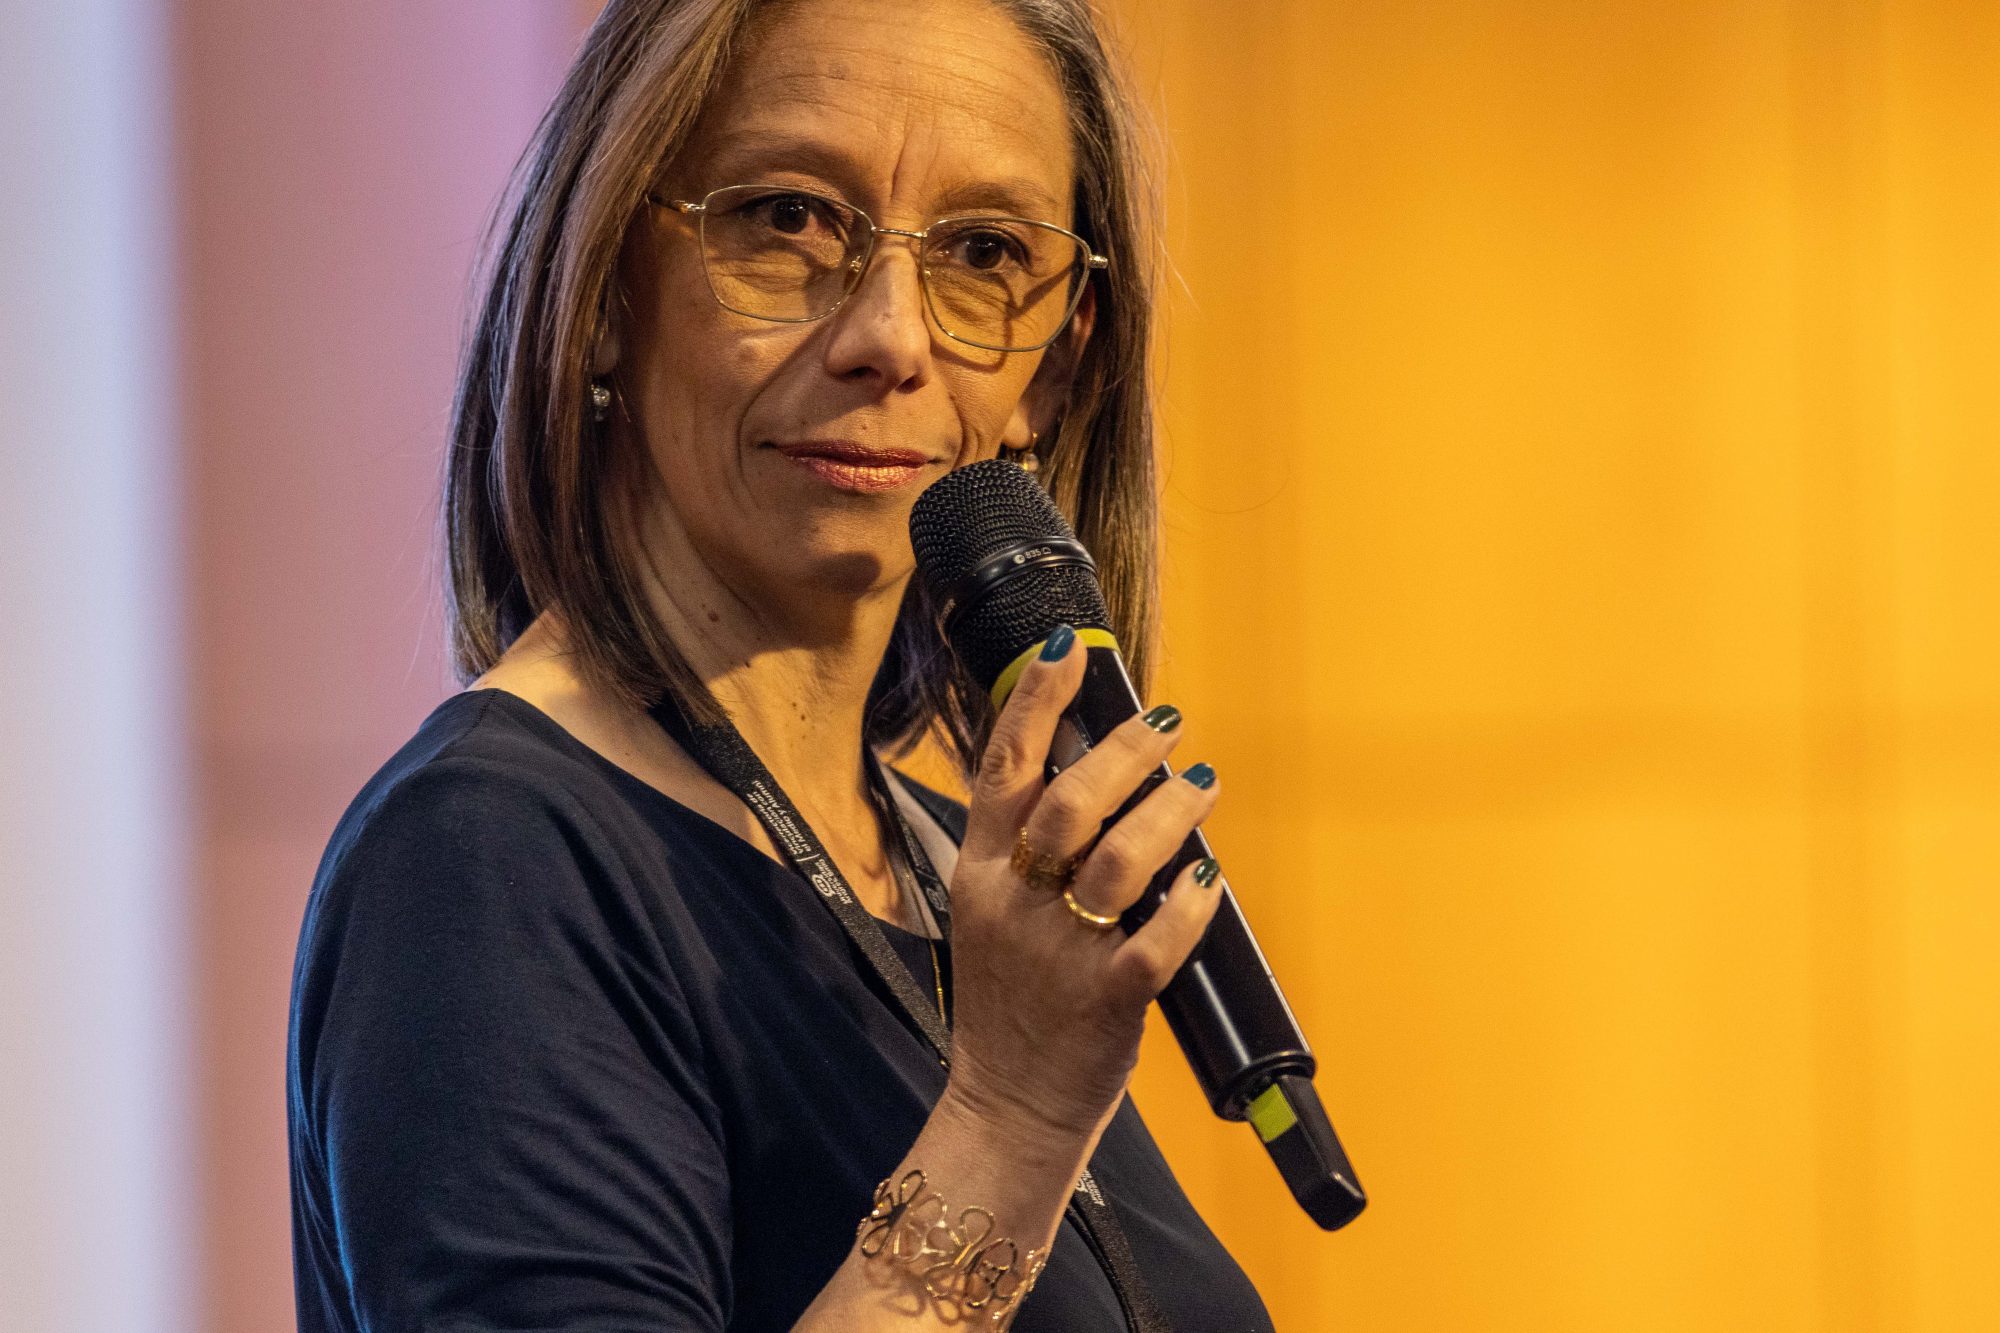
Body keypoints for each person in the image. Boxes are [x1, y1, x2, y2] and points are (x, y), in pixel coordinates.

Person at [287, 0, 1275, 1328]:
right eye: (789, 218)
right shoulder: (487, 854)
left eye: (984, 251)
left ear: (1056, 367)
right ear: (603, 293)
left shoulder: (955, 866)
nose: (893, 339)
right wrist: (1009, 1121)